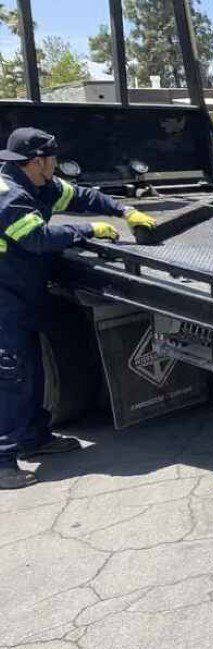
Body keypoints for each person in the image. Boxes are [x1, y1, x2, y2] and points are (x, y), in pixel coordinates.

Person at [0, 127, 156, 489]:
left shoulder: (38, 184)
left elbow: (80, 195)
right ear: (37, 161)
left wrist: (124, 210)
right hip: (4, 300)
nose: (57, 164)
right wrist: (88, 230)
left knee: (31, 369)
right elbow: (37, 239)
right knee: (12, 376)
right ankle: (4, 461)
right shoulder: (8, 196)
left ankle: (34, 437)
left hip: (20, 296)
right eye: (53, 158)